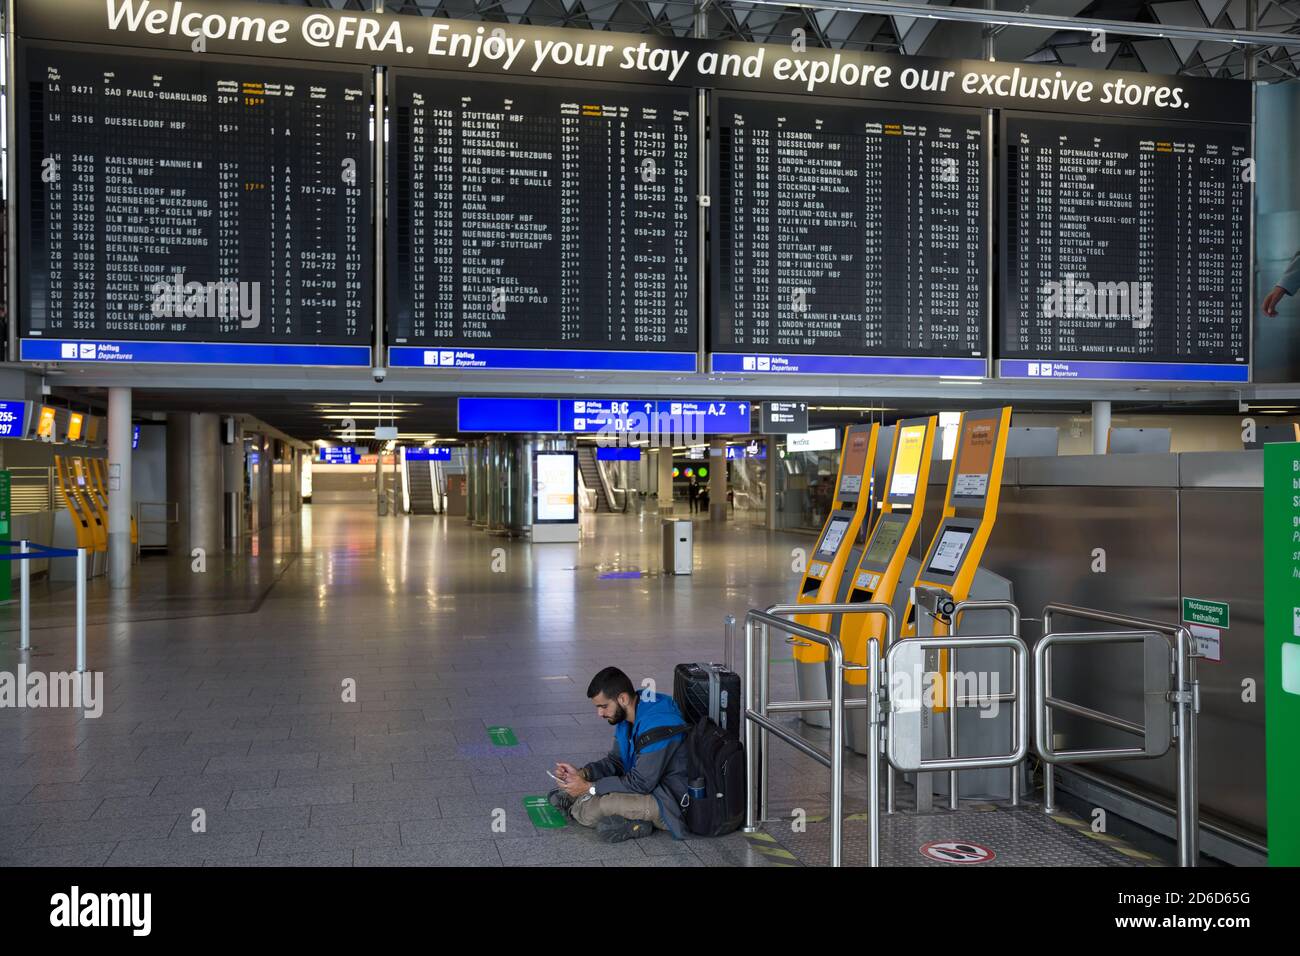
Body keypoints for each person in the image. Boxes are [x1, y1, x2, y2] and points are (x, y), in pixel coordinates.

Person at [548, 667, 690, 843]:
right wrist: (584, 774)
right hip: (651, 787)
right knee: (596, 795)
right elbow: (616, 762)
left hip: (669, 802)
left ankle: (583, 805)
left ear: (622, 698)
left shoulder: (657, 726)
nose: (599, 714)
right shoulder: (628, 715)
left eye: (603, 706)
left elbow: (640, 783)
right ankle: (592, 804)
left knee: (593, 809)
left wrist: (588, 788)